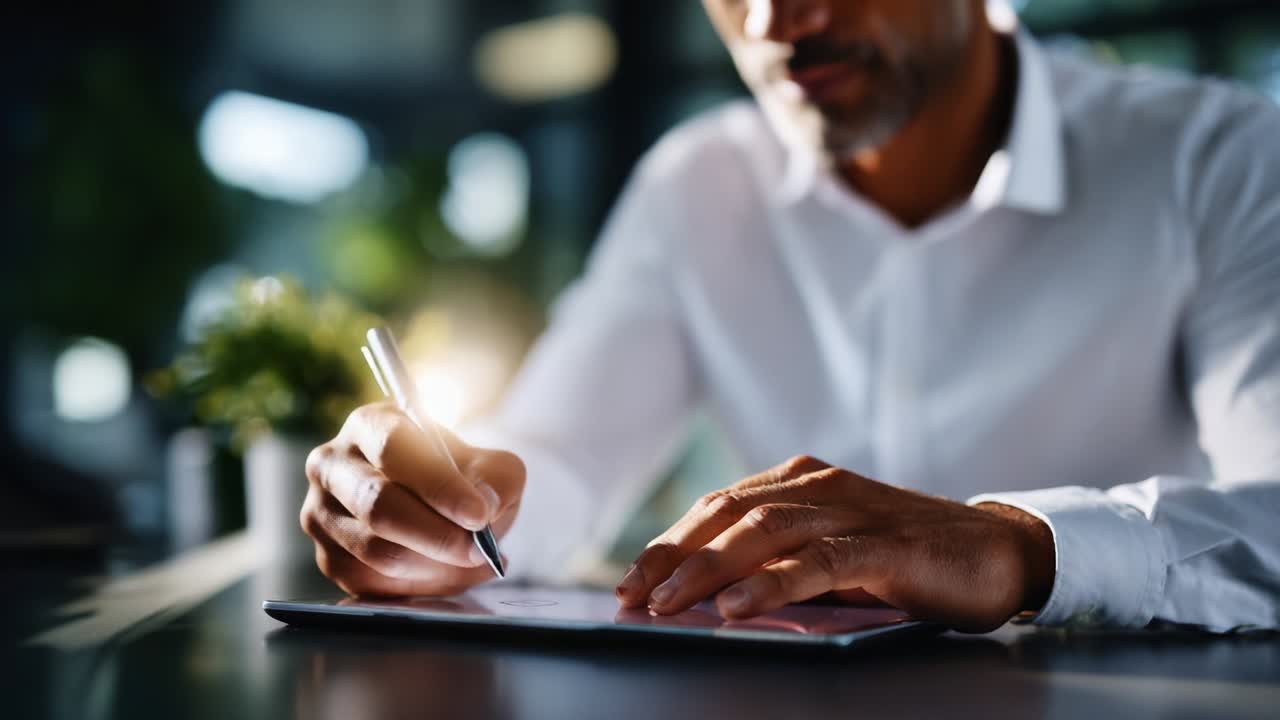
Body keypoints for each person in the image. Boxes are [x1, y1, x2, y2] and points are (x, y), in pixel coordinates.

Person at [300, 0, 1280, 633]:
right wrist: (440, 518)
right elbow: (554, 460)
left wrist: (1019, 546)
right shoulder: (697, 183)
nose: (773, 20)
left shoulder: (1217, 160)